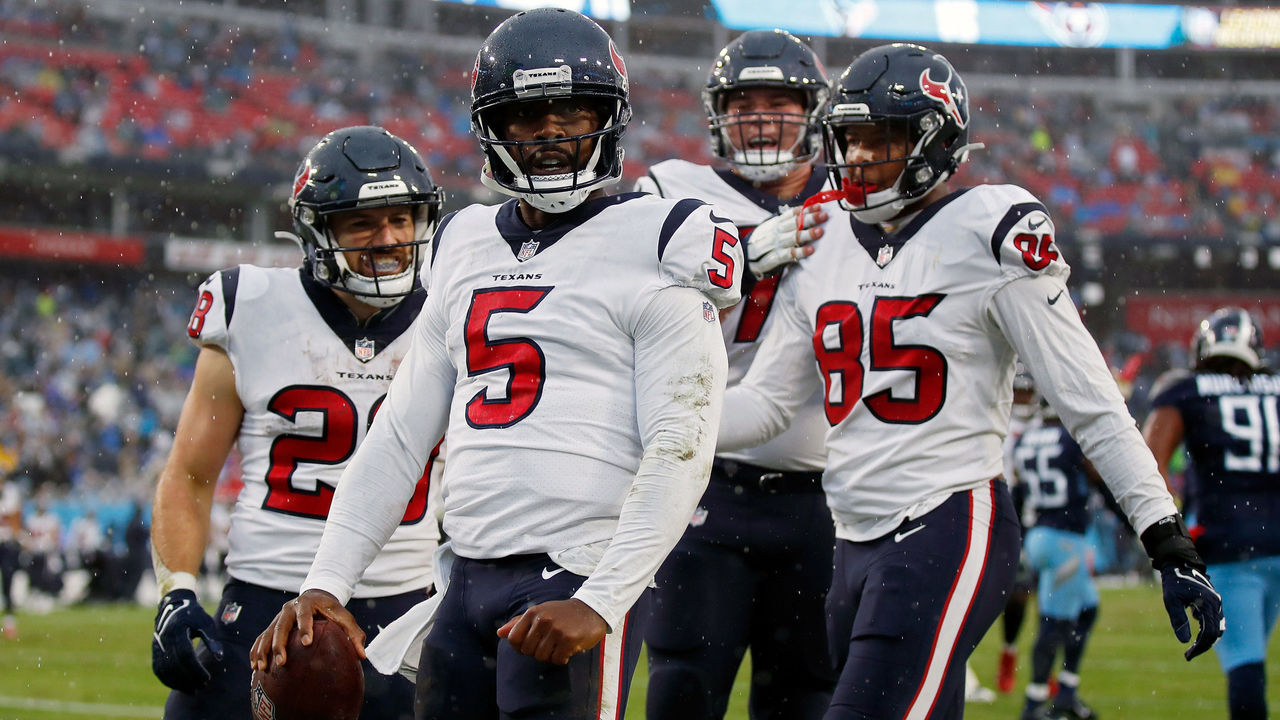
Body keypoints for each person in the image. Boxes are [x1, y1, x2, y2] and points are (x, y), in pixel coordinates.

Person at [250, 9, 742, 720]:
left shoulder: (666, 235)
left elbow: (681, 445)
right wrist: (329, 581)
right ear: (491, 128)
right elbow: (400, 433)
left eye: (573, 111)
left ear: (610, 117)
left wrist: (600, 598)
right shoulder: (465, 240)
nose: (552, 134)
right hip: (466, 580)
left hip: (574, 571)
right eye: (528, 116)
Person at [716, 42, 1224, 719]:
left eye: (883, 139)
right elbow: (767, 404)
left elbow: (1089, 401)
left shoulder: (992, 230)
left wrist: (1165, 536)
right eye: (852, 140)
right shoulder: (821, 236)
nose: (861, 158)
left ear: (936, 140)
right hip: (850, 538)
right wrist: (654, 425)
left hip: (946, 521)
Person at [149, 125, 444, 720]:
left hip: (403, 611)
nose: (387, 238)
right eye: (362, 222)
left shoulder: (453, 308)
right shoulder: (253, 305)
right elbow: (190, 473)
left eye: (401, 218)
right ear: (317, 230)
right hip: (265, 600)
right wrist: (175, 590)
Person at [634, 28, 836, 720]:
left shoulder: (855, 205)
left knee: (807, 694)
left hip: (827, 495)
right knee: (684, 683)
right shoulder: (671, 191)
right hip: (705, 484)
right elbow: (634, 301)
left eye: (778, 102)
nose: (760, 117)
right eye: (743, 102)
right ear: (717, 115)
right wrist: (745, 252)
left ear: (812, 112)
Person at [1143, 307, 1278, 720]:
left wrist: (1172, 533)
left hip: (1231, 543)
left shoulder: (1185, 390)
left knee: (1245, 664)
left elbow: (1148, 463)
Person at [1012, 397, 1106, 720]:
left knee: (1088, 609)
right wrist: (1130, 520)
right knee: (1054, 624)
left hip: (1040, 533)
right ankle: (1034, 703)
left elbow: (1018, 491)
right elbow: (1098, 479)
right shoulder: (1071, 438)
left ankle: (1066, 692)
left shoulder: (1026, 438)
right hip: (1065, 540)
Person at [0, 474, 21, 639]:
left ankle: (9, 620)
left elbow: (14, 519)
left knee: (8, 578)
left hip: (6, 542)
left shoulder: (11, 492)